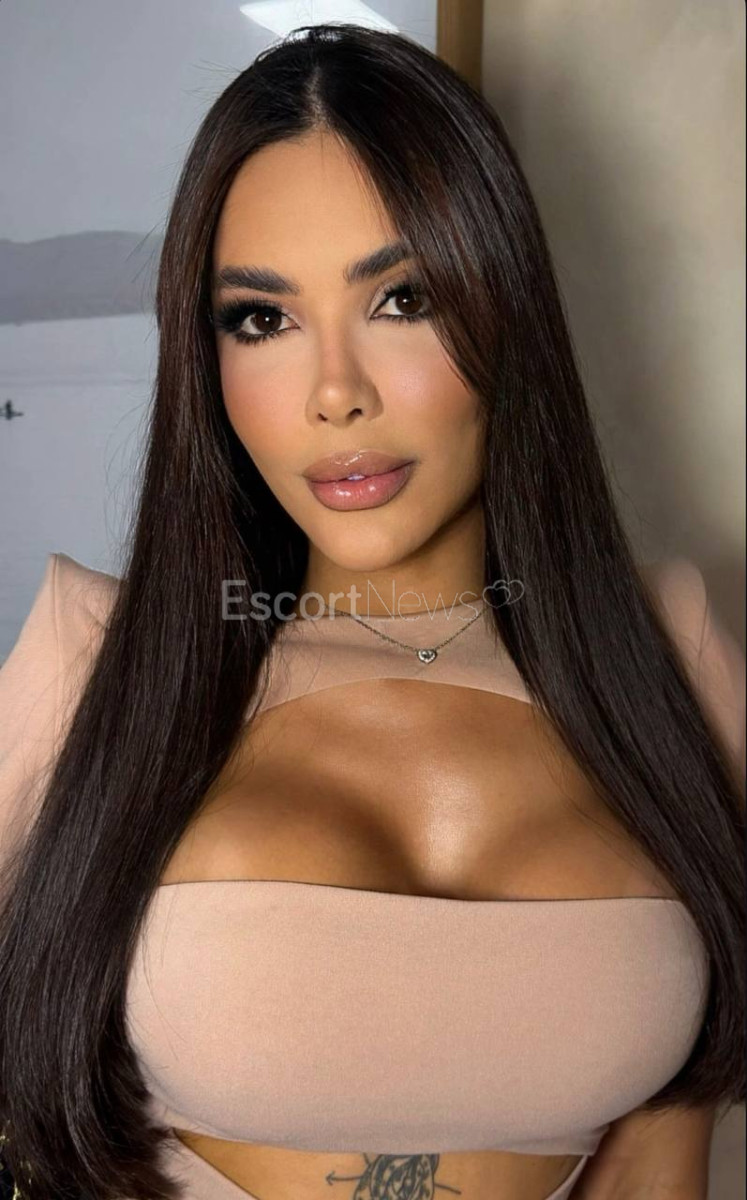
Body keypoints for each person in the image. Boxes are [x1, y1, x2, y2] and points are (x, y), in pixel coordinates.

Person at [0, 23, 744, 1200]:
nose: (335, 393)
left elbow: (666, 1155)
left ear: (505, 309)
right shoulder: (97, 663)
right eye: (263, 319)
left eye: (403, 300)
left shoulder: (665, 657)